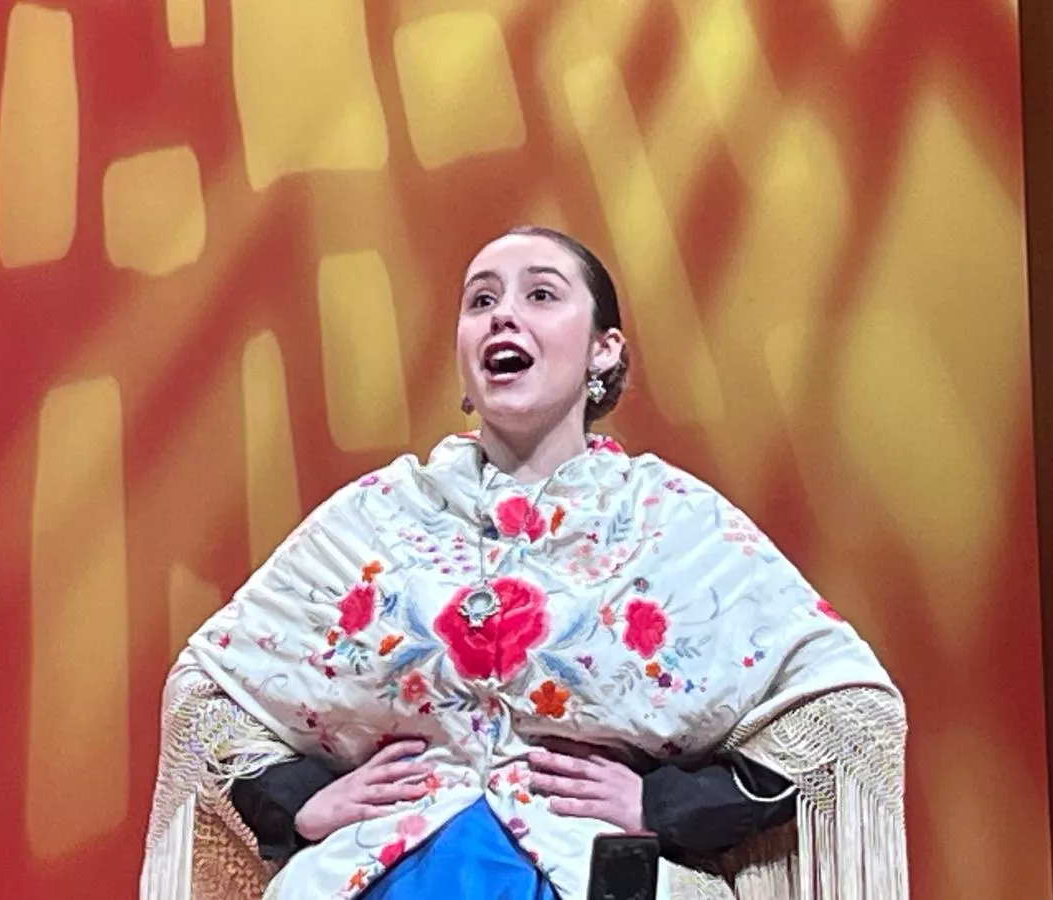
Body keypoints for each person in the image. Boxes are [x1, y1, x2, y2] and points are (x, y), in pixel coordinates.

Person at [141, 227, 907, 900]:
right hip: (387, 876)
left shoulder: (672, 521)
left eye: (541, 294)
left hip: (591, 873)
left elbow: (847, 710)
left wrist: (665, 807)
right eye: (481, 302)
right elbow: (209, 691)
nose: (503, 313)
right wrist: (299, 800)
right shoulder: (376, 516)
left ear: (604, 350)